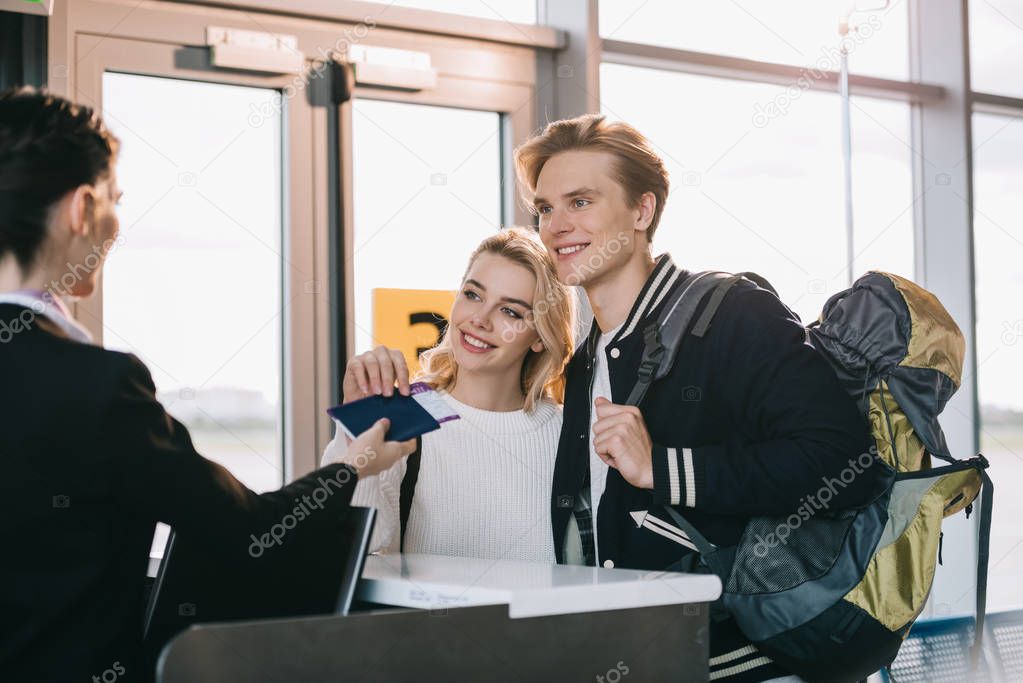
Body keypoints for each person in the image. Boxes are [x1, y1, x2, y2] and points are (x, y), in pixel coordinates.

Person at [0, 87, 414, 682]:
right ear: (81, 209)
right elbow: (248, 529)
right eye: (117, 200)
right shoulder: (98, 386)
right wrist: (353, 466)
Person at [513, 114, 890, 682]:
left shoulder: (730, 314)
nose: (556, 226)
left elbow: (846, 463)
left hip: (748, 666)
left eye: (581, 202)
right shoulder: (588, 357)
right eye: (544, 208)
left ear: (642, 211)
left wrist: (661, 468)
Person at [321, 227, 575, 561]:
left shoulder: (569, 436)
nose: (480, 320)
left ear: (540, 336)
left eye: (510, 311)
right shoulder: (402, 419)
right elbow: (353, 555)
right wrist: (359, 431)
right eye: (473, 294)